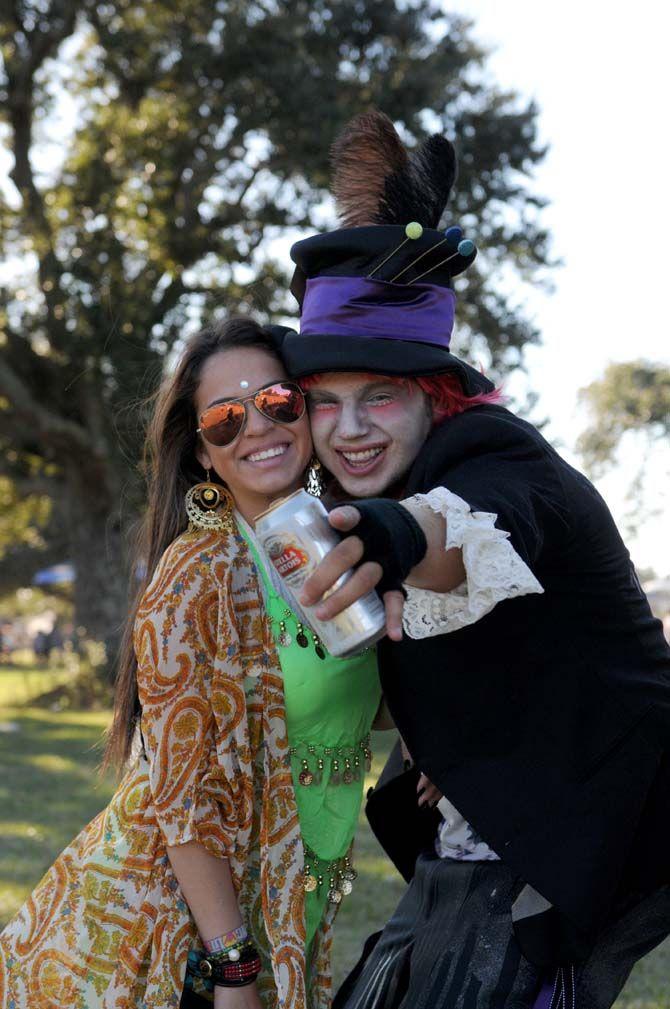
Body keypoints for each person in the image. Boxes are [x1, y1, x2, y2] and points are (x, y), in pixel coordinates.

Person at [271, 110, 670, 1008]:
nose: (350, 427)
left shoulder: (497, 457)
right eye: (324, 402)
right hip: (481, 837)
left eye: (379, 395)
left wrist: (388, 535)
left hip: (588, 833)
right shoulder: (366, 481)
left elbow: (462, 531)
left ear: (436, 394)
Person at [0, 318, 387, 1009]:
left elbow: (349, 695)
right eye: (225, 420)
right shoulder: (195, 579)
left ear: (305, 408)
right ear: (204, 453)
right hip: (167, 932)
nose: (257, 429)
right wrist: (232, 967)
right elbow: (180, 799)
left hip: (290, 895)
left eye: (275, 402)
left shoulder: (340, 541)